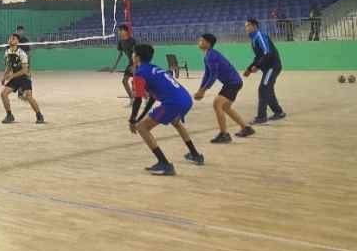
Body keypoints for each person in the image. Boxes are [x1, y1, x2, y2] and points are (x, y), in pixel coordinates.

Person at [130, 44, 204, 176]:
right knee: (175, 122)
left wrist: (133, 120)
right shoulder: (154, 68)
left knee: (142, 128)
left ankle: (164, 164)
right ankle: (195, 154)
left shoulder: (140, 73)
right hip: (185, 99)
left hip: (173, 103)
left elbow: (138, 99)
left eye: (133, 53)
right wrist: (139, 117)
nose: (132, 55)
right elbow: (152, 98)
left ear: (137, 57)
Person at [194, 33, 254, 143]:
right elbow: (207, 74)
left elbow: (213, 75)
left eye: (201, 41)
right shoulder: (208, 55)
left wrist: (203, 91)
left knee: (217, 104)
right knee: (226, 107)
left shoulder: (211, 56)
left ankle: (224, 134)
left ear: (208, 43)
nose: (199, 42)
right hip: (232, 83)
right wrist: (200, 89)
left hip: (233, 83)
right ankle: (246, 128)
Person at [243, 18, 286, 124]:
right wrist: (249, 68)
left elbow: (267, 53)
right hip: (268, 68)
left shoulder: (260, 36)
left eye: (248, 25)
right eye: (245, 26)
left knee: (263, 89)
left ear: (254, 26)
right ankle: (279, 112)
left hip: (272, 67)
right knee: (267, 89)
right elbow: (259, 56)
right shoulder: (254, 39)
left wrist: (257, 66)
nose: (246, 28)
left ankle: (261, 117)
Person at [1, 33, 45, 124]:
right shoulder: (7, 52)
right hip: (15, 78)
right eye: (10, 38)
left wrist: (11, 76)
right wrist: (4, 76)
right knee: (3, 94)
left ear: (17, 41)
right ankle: (9, 115)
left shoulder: (22, 53)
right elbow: (9, 66)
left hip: (24, 77)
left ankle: (39, 115)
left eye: (13, 38)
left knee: (28, 96)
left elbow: (24, 70)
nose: (11, 40)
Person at [107, 24, 137, 99]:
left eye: (120, 30)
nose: (119, 32)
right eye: (118, 31)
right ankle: (132, 99)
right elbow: (120, 55)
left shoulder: (132, 41)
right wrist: (114, 67)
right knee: (124, 81)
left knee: (136, 82)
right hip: (130, 63)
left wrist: (134, 66)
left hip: (137, 63)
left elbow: (136, 54)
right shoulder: (120, 42)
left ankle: (145, 97)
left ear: (125, 31)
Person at [15, 25, 31, 100]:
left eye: (21, 31)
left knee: (27, 78)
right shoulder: (14, 39)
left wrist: (29, 64)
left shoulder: (26, 40)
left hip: (25, 62)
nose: (20, 32)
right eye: (18, 31)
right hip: (17, 62)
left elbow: (28, 53)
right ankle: (20, 94)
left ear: (23, 31)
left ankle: (26, 93)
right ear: (16, 31)